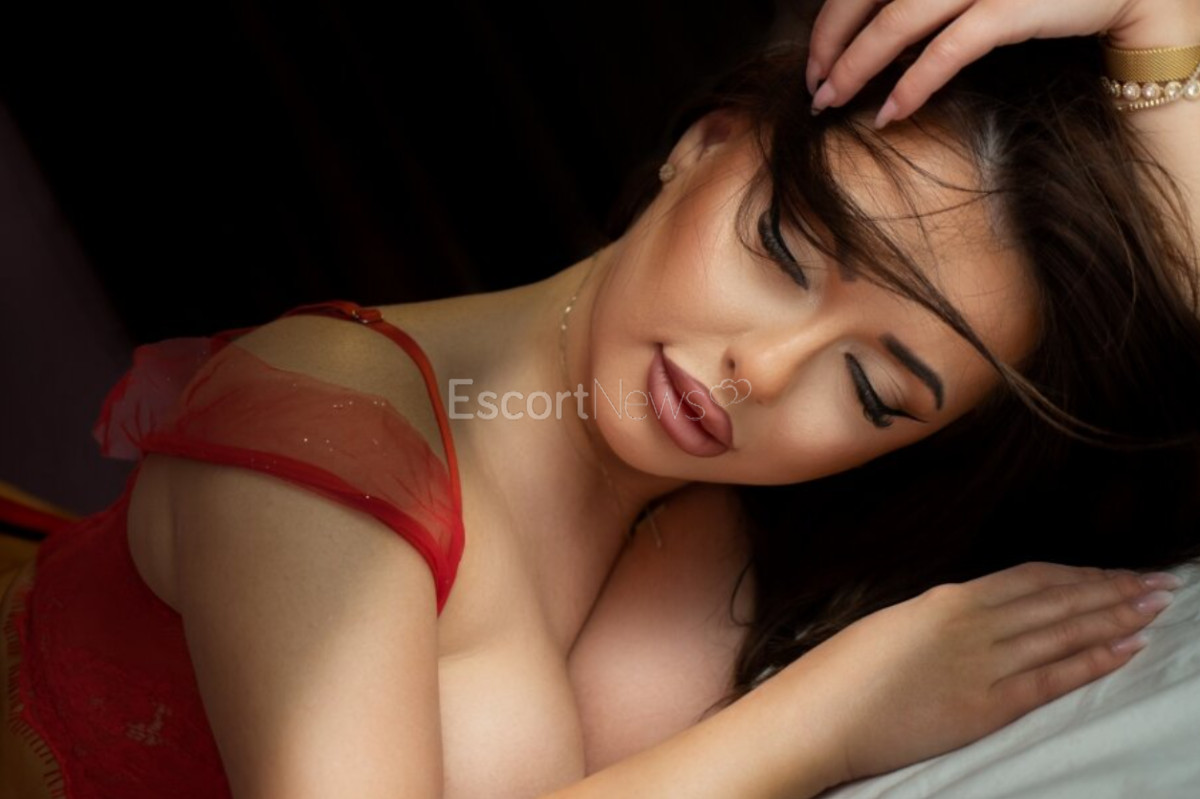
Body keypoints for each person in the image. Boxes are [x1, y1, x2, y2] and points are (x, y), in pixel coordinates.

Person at [2, 1, 1199, 798]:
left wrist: (1161, 33)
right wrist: (826, 721)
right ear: (707, 143)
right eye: (785, 249)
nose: (765, 371)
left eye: (873, 390)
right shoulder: (332, 421)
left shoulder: (725, 520)